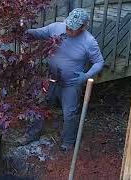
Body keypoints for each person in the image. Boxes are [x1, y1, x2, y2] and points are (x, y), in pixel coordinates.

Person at [22, 8, 104, 151]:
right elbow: (39, 33)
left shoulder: (89, 41)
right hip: (51, 79)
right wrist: (25, 32)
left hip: (71, 83)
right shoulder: (56, 27)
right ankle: (31, 134)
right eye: (68, 26)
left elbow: (99, 62)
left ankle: (68, 142)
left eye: (73, 28)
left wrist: (85, 76)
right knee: (40, 106)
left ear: (83, 27)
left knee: (69, 114)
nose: (68, 30)